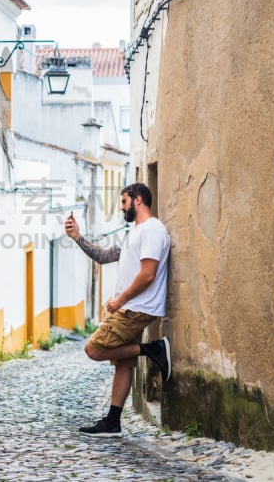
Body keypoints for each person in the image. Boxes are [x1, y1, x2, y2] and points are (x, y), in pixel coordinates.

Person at [64, 182, 171, 438]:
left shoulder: (153, 230)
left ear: (138, 200)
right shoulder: (134, 233)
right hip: (132, 307)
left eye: (124, 202)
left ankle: (154, 349)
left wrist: (119, 301)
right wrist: (77, 236)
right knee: (123, 364)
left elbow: (148, 275)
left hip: (136, 308)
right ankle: (113, 422)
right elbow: (104, 256)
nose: (122, 207)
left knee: (94, 348)